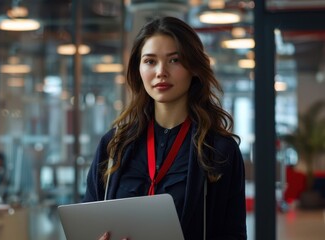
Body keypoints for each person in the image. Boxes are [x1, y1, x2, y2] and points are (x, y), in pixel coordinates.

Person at [83, 16, 247, 240]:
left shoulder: (219, 150)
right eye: (150, 61)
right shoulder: (114, 145)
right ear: (138, 70)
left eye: (174, 60)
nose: (161, 71)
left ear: (194, 68)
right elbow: (89, 224)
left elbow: (233, 235)